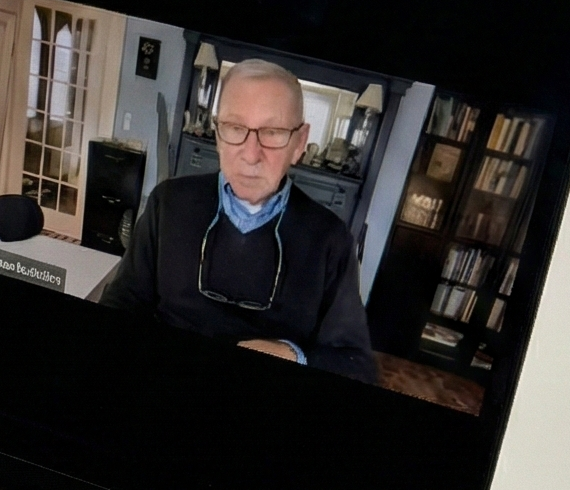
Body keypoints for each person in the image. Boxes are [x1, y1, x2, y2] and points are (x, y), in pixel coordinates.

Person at [100, 57, 376, 382]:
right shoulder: (168, 203)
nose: (250, 153)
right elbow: (123, 300)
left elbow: (358, 365)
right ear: (217, 134)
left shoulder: (330, 239)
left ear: (299, 143)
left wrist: (293, 355)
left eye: (272, 132)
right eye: (235, 128)